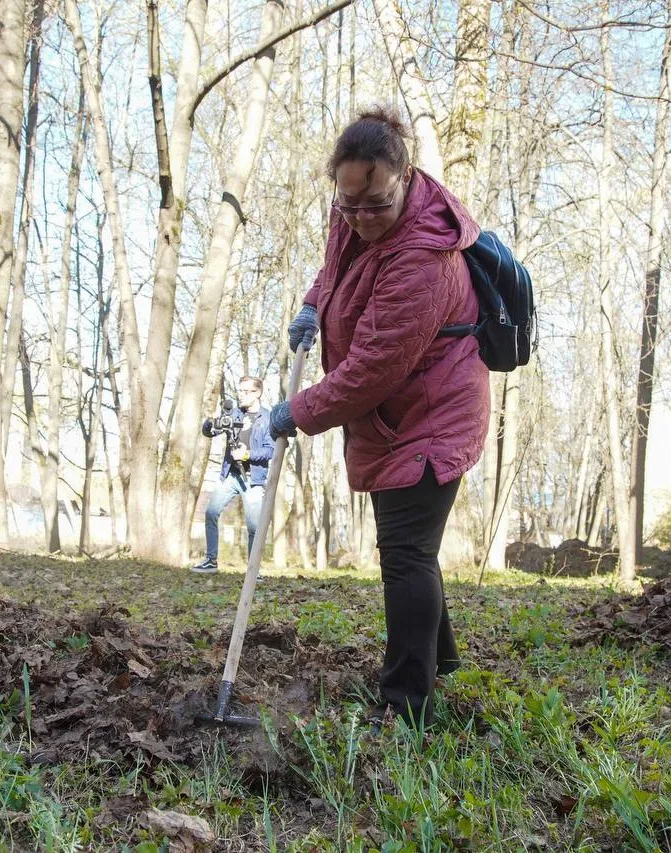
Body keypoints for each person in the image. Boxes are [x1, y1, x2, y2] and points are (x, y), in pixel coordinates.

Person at [268, 106, 489, 729]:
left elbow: (373, 370)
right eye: (349, 206)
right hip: (398, 411)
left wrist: (297, 411)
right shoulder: (356, 206)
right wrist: (314, 305)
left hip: (430, 416)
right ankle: (436, 657)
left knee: (405, 554)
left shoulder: (424, 257)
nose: (362, 220)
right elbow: (336, 265)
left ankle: (408, 701)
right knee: (413, 549)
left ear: (405, 176)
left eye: (377, 206)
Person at [191, 376, 273, 573]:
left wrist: (247, 454)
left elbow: (270, 451)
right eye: (240, 391)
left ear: (258, 393)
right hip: (230, 475)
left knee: (253, 526)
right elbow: (212, 431)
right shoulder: (235, 413)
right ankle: (211, 560)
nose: (241, 395)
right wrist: (208, 425)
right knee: (211, 512)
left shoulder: (268, 418)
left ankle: (253, 570)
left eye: (246, 392)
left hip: (254, 479)